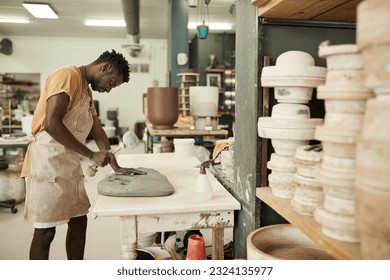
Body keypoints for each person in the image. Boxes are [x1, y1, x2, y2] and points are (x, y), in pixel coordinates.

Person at [21, 49, 145, 260]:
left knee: (79, 222)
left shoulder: (87, 93)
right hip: (46, 163)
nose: (109, 89)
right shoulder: (67, 76)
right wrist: (91, 155)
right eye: (112, 83)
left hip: (68, 163)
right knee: (45, 232)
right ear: (105, 67)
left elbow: (97, 131)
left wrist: (115, 166)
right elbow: (51, 123)